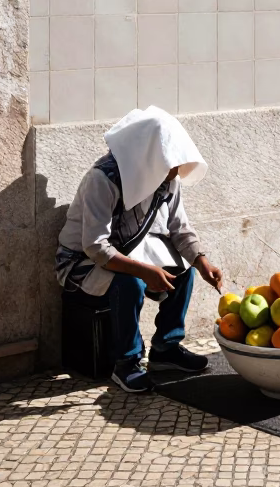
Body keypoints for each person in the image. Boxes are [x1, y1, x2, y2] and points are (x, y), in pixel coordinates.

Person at [55, 106, 223, 394]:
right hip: (81, 264)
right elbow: (95, 246)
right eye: (169, 162)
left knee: (184, 274)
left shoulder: (167, 180)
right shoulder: (102, 179)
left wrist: (201, 261)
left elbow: (179, 228)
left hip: (131, 251)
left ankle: (166, 348)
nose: (175, 171)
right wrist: (144, 270)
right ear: (149, 157)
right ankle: (126, 362)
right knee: (129, 280)